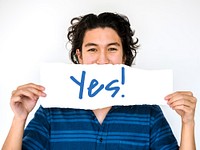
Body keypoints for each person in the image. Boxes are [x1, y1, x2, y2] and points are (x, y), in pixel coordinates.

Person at [2, 12, 196, 150]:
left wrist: (188, 122)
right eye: (92, 49)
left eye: (112, 49)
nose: (102, 60)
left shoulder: (149, 112)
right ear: (79, 56)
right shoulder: (52, 110)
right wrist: (19, 118)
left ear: (124, 56)